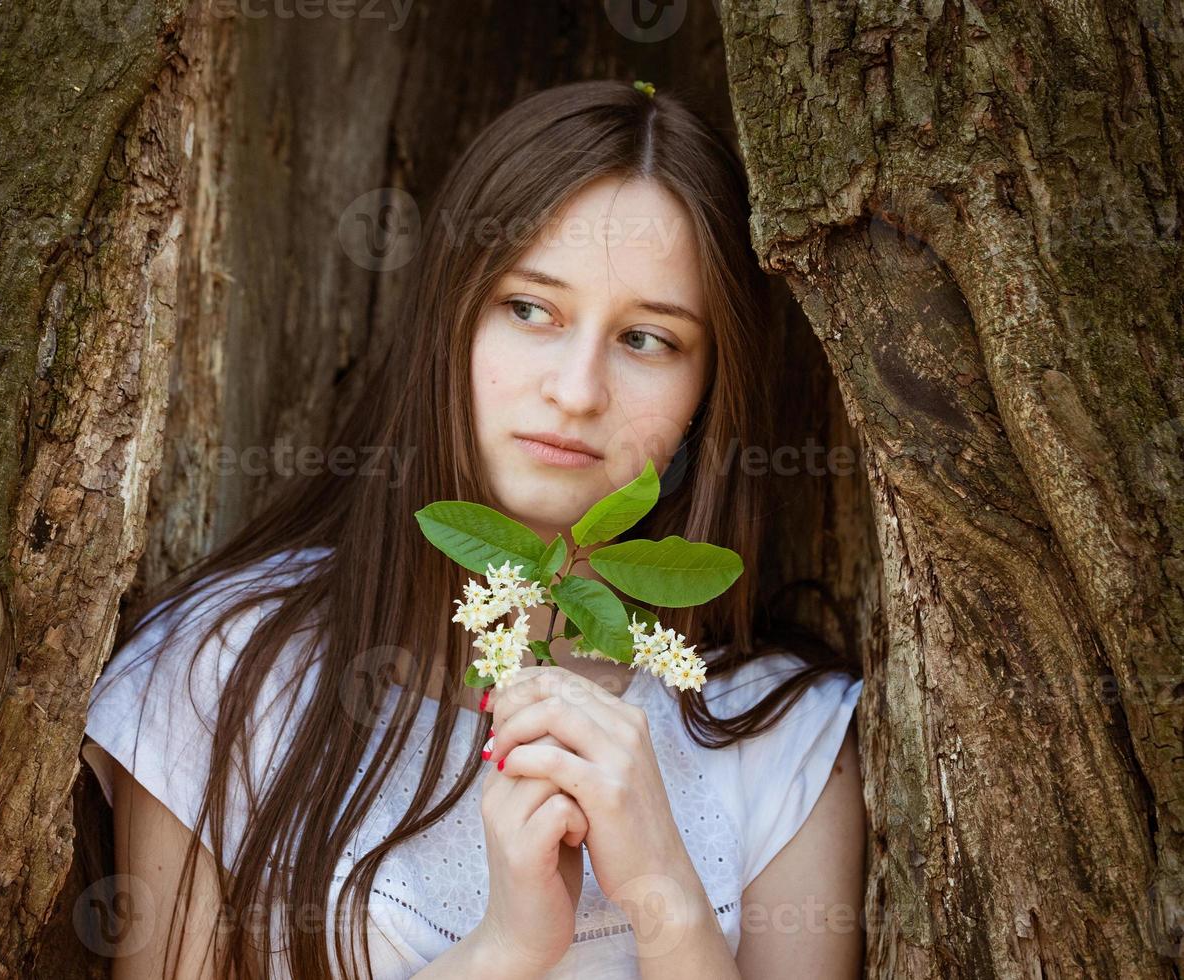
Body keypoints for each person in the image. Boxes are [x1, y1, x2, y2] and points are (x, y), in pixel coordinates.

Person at [78, 78, 865, 979]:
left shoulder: (783, 739)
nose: (576, 391)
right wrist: (510, 948)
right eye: (530, 309)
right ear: (450, 318)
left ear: (706, 394)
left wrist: (669, 904)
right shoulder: (225, 677)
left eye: (647, 338)